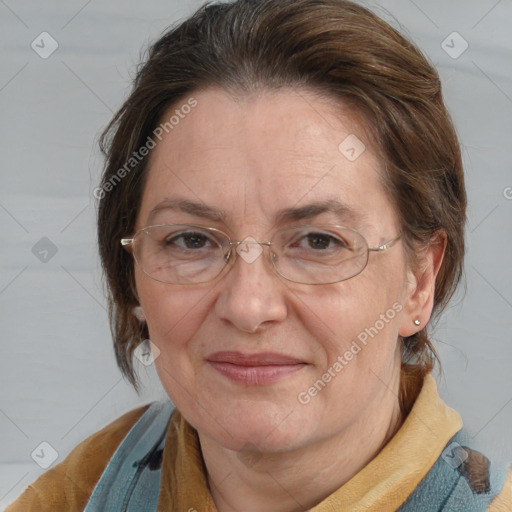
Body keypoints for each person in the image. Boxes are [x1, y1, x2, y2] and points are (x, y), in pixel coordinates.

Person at [6, 0, 511, 510]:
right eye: (191, 240)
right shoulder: (76, 496)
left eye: (319, 241)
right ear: (132, 275)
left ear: (418, 280)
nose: (248, 307)